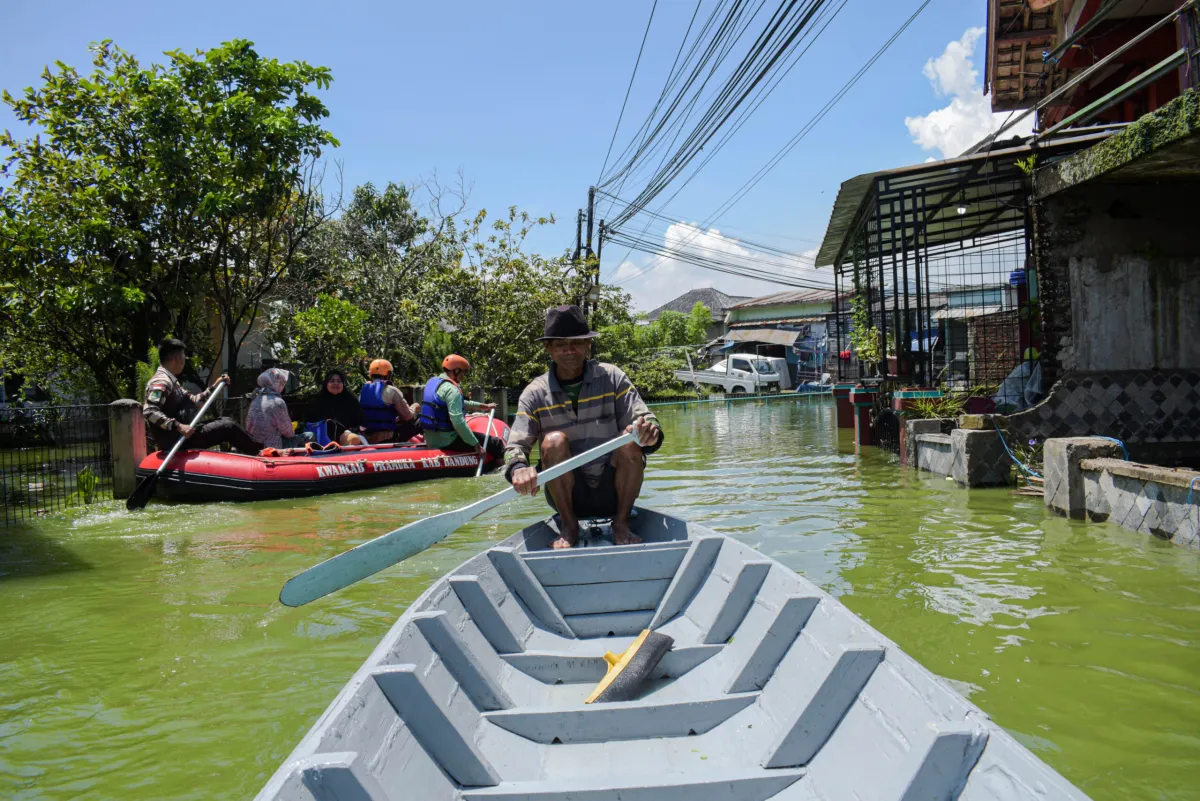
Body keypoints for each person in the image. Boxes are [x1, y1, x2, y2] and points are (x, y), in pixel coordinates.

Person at [505, 305, 663, 549]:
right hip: (569, 496)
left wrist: (649, 432)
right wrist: (519, 469)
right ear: (549, 348)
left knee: (631, 437)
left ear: (588, 345)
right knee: (553, 441)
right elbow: (516, 444)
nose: (569, 350)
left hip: (615, 490)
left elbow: (645, 418)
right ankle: (569, 526)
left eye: (577, 342)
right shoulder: (534, 393)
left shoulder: (612, 377)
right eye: (560, 344)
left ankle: (621, 523)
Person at [142, 338, 263, 454]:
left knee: (226, 421)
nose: (184, 361)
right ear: (177, 358)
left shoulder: (172, 382)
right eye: (184, 357)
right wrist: (178, 426)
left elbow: (194, 401)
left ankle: (259, 448)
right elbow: (149, 411)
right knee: (228, 426)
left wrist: (214, 387)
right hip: (177, 440)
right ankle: (260, 453)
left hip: (183, 435)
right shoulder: (162, 382)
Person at [419, 355, 504, 462]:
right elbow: (458, 422)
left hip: (430, 438)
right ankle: (503, 471)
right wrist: (475, 443)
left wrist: (484, 406)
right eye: (463, 372)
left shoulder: (433, 382)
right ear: (456, 370)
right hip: (447, 440)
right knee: (496, 443)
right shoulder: (452, 390)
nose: (463, 376)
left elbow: (457, 402)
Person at [246, 368, 314, 450]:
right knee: (310, 436)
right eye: (282, 383)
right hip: (272, 448)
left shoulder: (256, 398)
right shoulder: (277, 402)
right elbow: (288, 433)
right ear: (277, 384)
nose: (283, 387)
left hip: (253, 446)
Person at [359, 359, 421, 444]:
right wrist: (414, 407)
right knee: (422, 420)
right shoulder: (392, 390)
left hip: (367, 438)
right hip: (388, 437)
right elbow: (408, 416)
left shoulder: (363, 391)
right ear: (387, 374)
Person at [312, 369, 369, 446]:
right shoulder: (318, 400)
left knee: (353, 438)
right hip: (322, 438)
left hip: (346, 435)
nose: (336, 383)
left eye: (339, 381)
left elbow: (361, 421)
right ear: (326, 383)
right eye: (332, 381)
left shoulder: (350, 399)